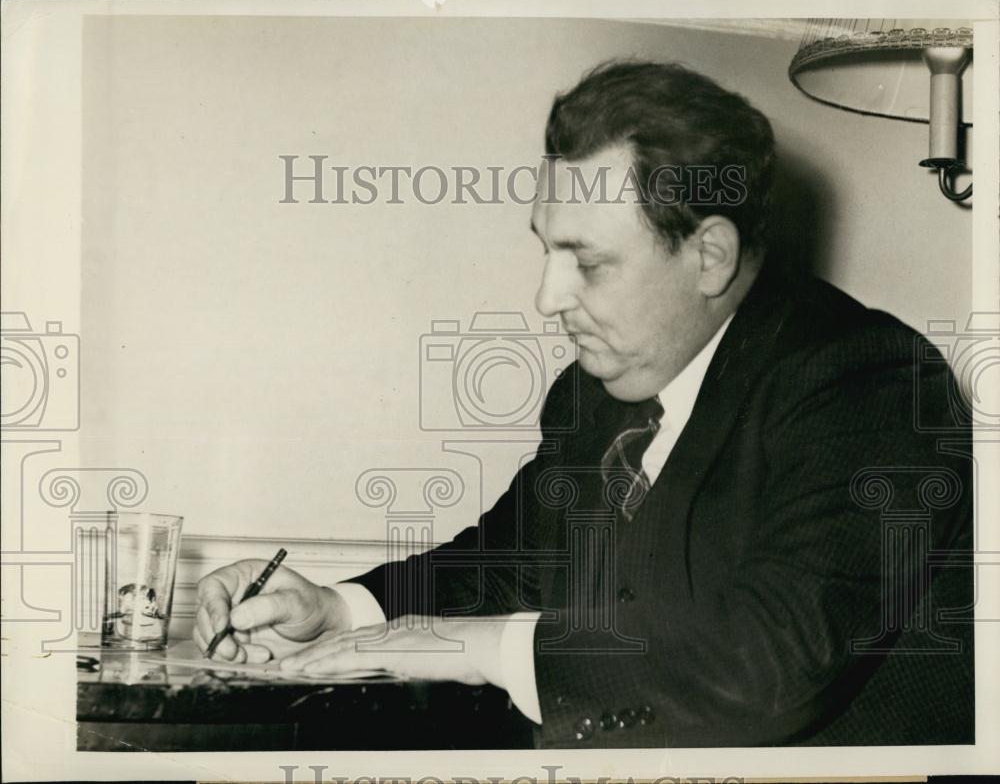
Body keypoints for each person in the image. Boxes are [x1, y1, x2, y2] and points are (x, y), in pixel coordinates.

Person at [194, 61, 973, 747]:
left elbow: (761, 665)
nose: (546, 297)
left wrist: (478, 647)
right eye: (546, 248)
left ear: (710, 255)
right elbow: (509, 559)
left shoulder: (871, 383)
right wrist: (342, 608)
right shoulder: (597, 391)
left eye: (588, 262)